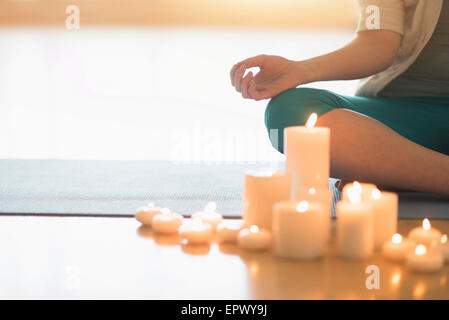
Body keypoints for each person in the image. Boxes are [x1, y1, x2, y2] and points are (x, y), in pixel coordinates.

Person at [230, 0, 449, 196]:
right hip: (401, 117)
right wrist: (298, 70)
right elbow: (378, 43)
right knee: (288, 114)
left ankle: (395, 172)